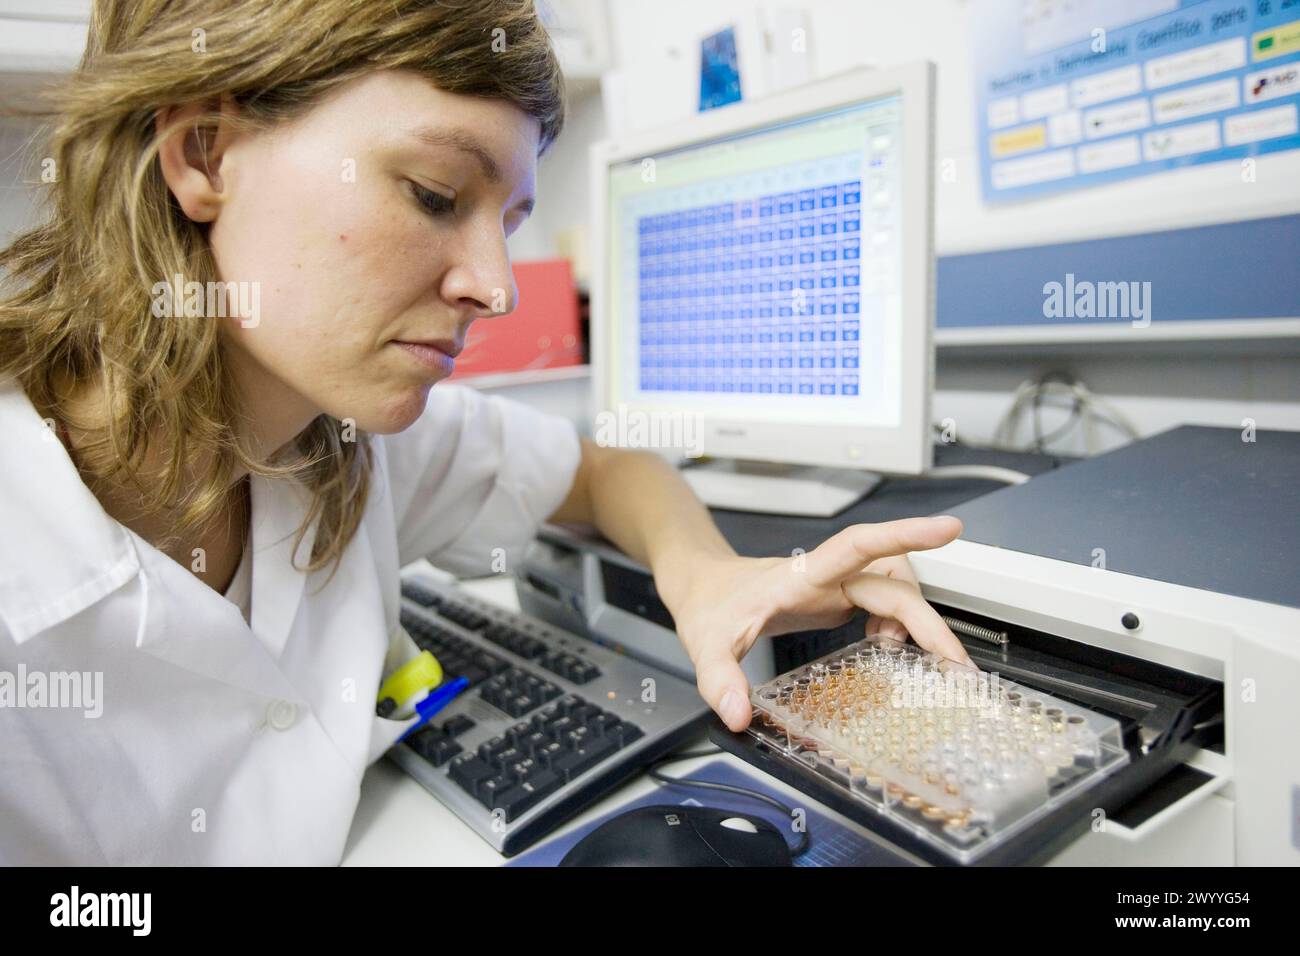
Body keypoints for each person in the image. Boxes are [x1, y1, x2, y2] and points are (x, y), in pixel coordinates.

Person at [0, 0, 969, 864]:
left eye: (508, 218)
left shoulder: (343, 435)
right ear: (204, 153)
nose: (495, 287)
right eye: (433, 193)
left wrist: (703, 575)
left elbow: (606, 468)